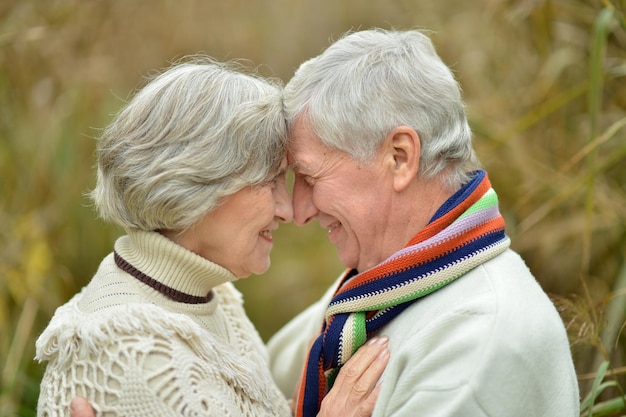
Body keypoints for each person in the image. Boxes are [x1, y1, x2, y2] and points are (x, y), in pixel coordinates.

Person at [36, 57, 389, 417]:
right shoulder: (138, 353)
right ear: (197, 184)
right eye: (270, 181)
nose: (287, 210)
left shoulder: (208, 297)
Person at [265, 28, 580, 416]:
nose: (300, 211)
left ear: (399, 157)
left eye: (310, 178)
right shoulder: (382, 287)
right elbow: (253, 379)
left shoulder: (478, 347)